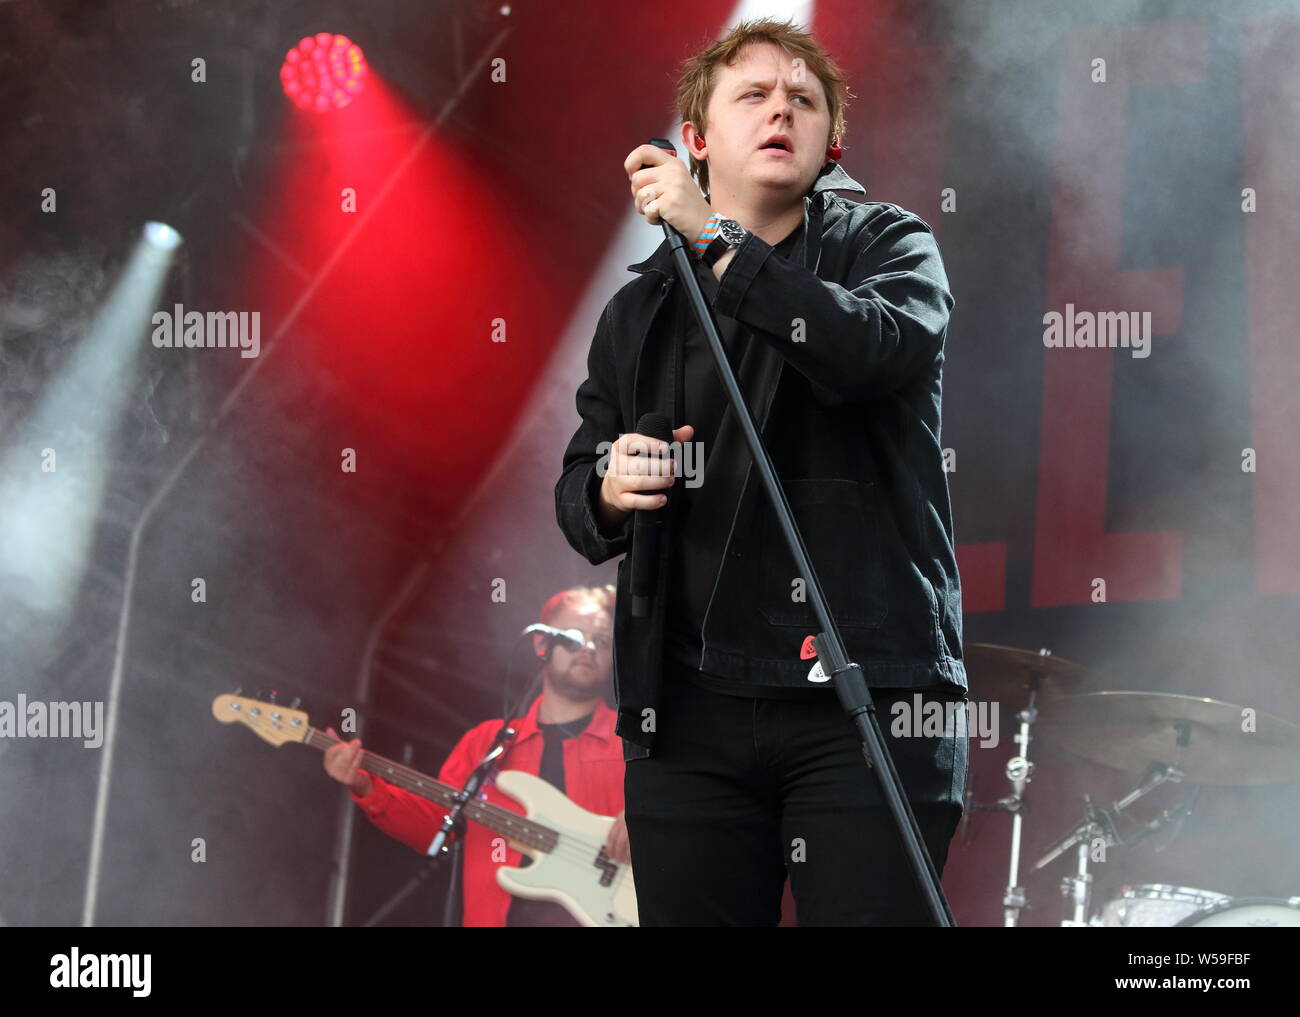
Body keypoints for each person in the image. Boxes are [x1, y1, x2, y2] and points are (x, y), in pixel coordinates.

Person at [554, 18, 967, 926]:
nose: (781, 108)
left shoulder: (891, 248)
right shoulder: (640, 308)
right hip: (688, 710)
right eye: (753, 95)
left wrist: (717, 236)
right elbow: (579, 482)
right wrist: (607, 488)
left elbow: (862, 350)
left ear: (832, 144)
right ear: (697, 137)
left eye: (803, 100)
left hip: (866, 693)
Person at [323, 585, 628, 927]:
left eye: (601, 641)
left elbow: (688, 815)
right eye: (574, 636)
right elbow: (436, 825)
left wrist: (647, 823)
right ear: (542, 643)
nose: (588, 648)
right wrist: (366, 785)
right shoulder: (487, 742)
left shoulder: (633, 741)